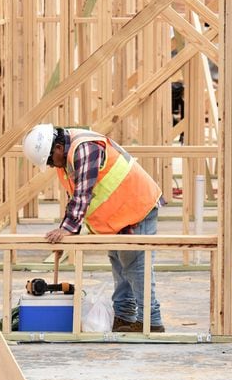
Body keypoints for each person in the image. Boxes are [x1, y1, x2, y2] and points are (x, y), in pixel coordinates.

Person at [22, 123, 165, 333]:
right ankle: (124, 317)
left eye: (51, 161)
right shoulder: (68, 159)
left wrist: (69, 229)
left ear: (58, 148)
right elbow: (75, 199)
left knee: (136, 267)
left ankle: (151, 322)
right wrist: (65, 231)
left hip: (137, 208)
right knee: (120, 264)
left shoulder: (85, 148)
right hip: (119, 217)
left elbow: (83, 194)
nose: (52, 165)